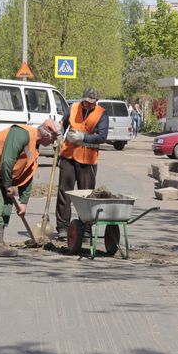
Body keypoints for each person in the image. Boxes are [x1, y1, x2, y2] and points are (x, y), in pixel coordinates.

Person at [0, 120, 60, 257]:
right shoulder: (21, 134)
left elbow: (28, 173)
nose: (52, 143)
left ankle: (0, 240)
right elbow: (7, 160)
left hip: (1, 171)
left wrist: (23, 202)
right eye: (53, 140)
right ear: (47, 135)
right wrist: (8, 185)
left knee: (6, 204)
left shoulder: (34, 147)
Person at [55, 87, 109, 240]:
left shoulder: (101, 113)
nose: (90, 105)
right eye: (87, 102)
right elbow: (64, 123)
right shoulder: (73, 108)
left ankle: (85, 229)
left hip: (87, 160)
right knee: (64, 193)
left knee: (86, 196)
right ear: (83, 99)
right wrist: (60, 132)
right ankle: (63, 228)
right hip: (68, 156)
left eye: (93, 103)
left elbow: (102, 137)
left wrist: (83, 138)